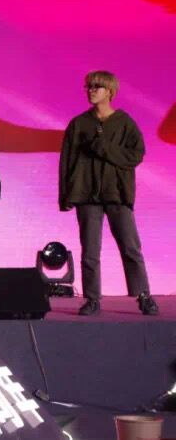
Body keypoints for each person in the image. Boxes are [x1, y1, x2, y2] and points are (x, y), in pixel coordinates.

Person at [59, 71, 158, 316]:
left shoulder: (124, 122)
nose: (91, 90)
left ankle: (144, 295)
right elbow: (66, 161)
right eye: (89, 86)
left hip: (117, 194)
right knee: (90, 251)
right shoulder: (79, 123)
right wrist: (66, 195)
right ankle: (92, 299)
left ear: (110, 92)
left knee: (130, 247)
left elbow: (136, 155)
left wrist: (104, 147)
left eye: (97, 87)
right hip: (87, 195)